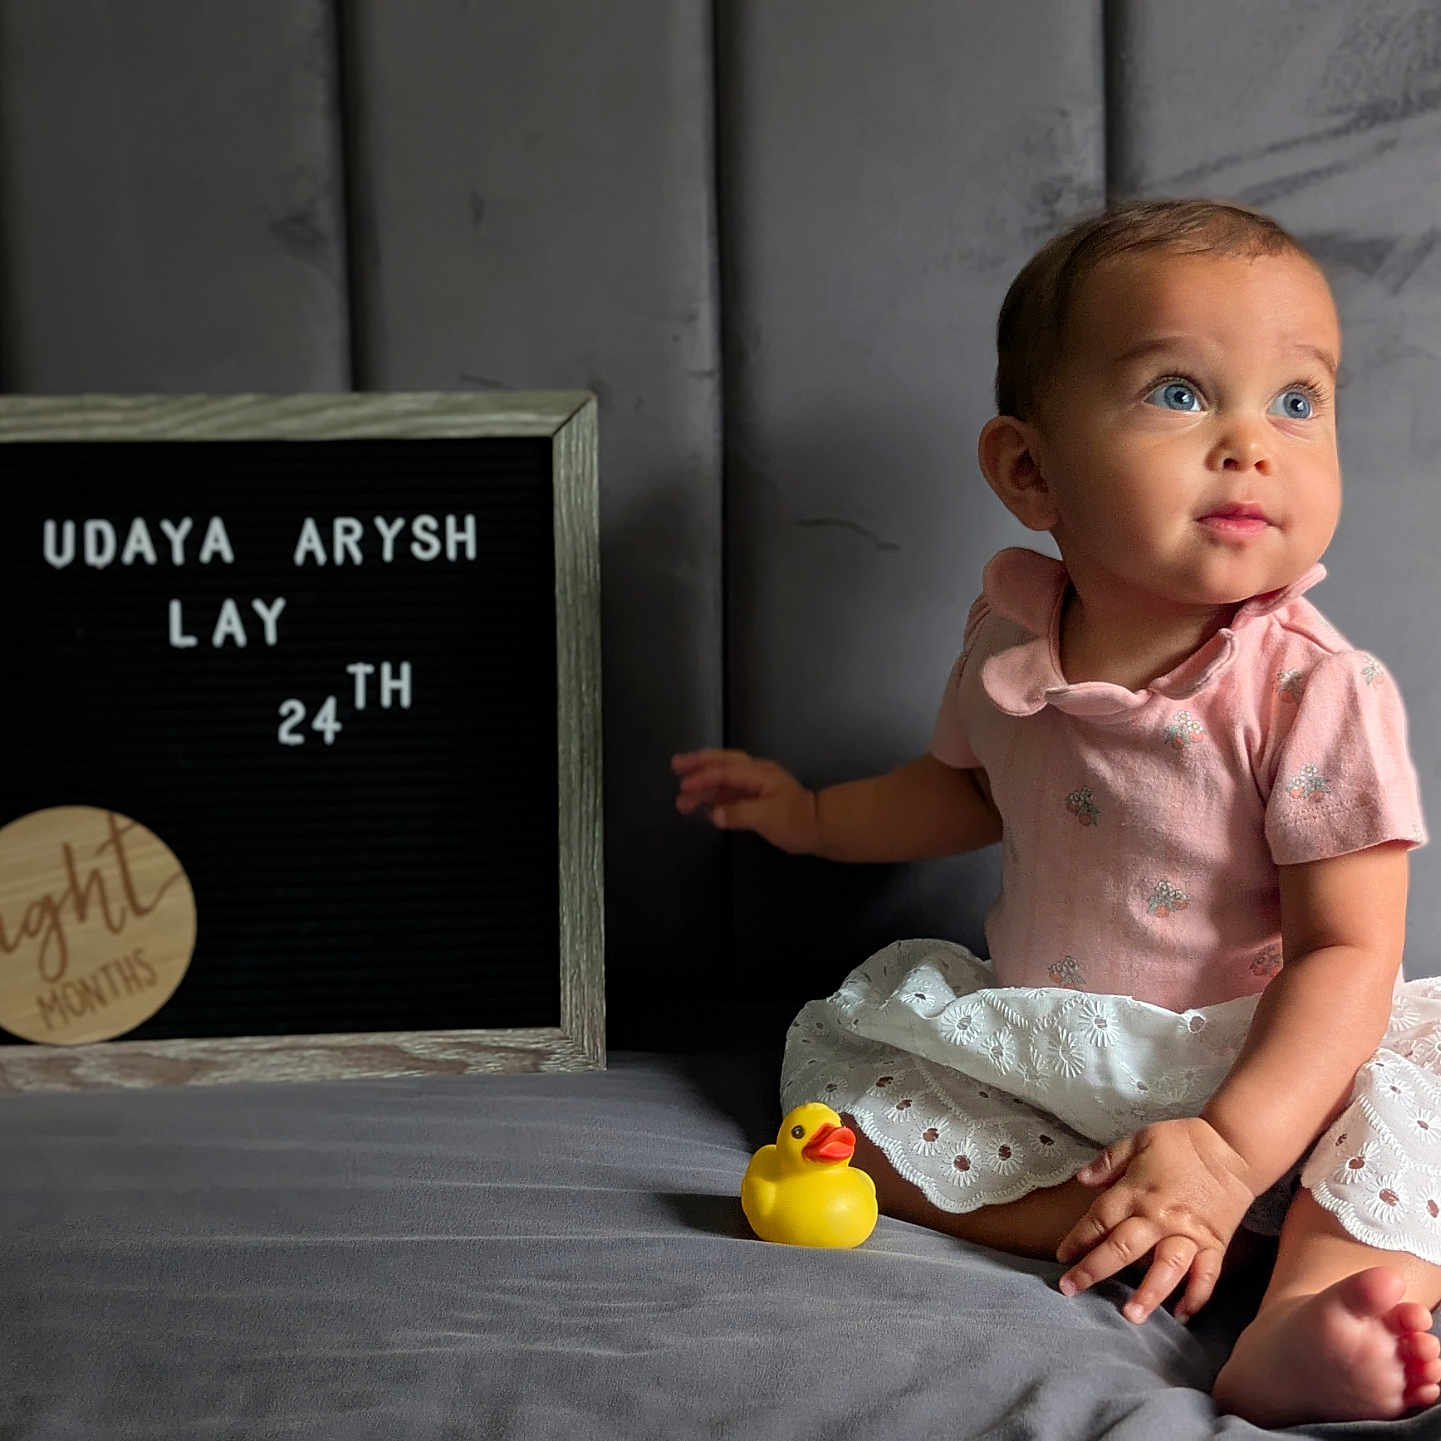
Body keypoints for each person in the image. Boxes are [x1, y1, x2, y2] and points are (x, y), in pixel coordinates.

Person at [672, 197, 1441, 1428]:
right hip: (1057, 1053)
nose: (1253, 444)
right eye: (1182, 394)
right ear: (1030, 470)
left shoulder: (1314, 688)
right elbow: (962, 790)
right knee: (845, 1109)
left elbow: (1352, 949)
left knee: (1408, 1128)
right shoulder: (1007, 638)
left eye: (1297, 401)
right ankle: (1147, 1225)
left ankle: (1304, 1307)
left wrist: (1235, 1142)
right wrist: (811, 815)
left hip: (1263, 1062)